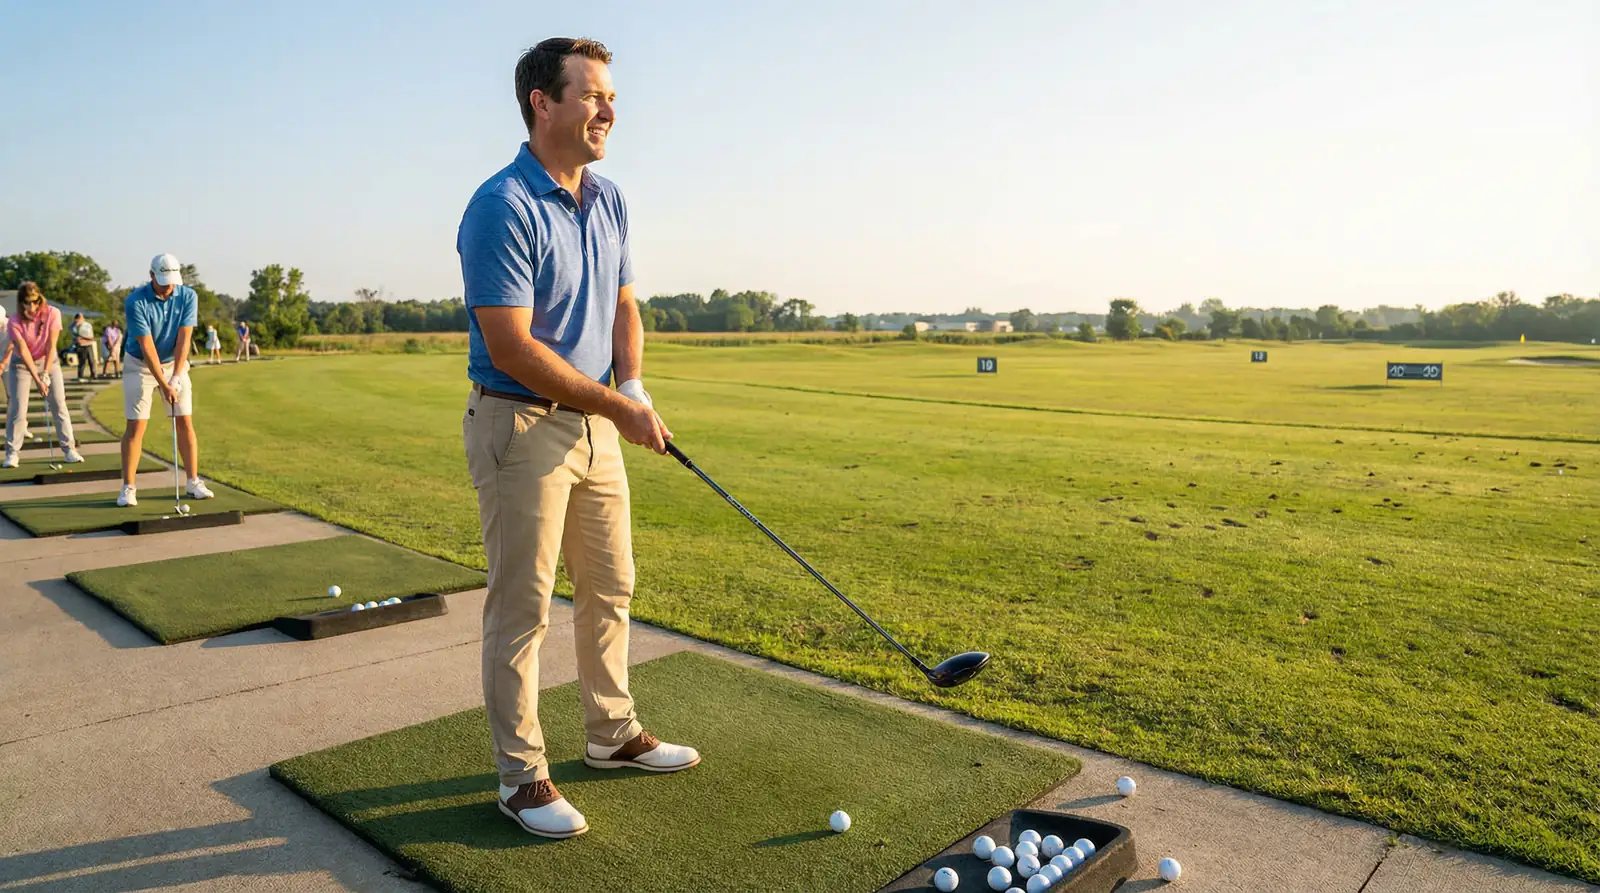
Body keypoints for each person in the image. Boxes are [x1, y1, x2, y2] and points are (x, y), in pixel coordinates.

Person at [458, 37, 696, 840]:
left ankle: (611, 733)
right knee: (522, 605)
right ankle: (521, 776)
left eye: (612, 97)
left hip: (594, 420)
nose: (610, 110)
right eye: (593, 95)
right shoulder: (502, 205)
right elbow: (515, 345)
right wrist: (615, 406)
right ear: (543, 103)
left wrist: (631, 388)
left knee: (612, 584)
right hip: (518, 423)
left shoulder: (611, 198)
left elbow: (625, 304)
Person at [117, 254, 215, 506]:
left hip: (174, 364)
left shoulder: (188, 296)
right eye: (163, 281)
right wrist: (164, 383)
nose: (168, 286)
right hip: (140, 365)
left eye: (172, 280)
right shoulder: (135, 301)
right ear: (151, 276)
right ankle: (128, 487)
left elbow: (184, 338)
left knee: (184, 420)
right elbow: (147, 347)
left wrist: (177, 376)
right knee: (136, 425)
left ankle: (193, 481)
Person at [4, 283, 83, 467]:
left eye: (34, 302)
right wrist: (38, 379)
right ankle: (12, 453)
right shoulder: (14, 322)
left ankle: (69, 449)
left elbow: (51, 345)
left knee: (59, 404)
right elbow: (23, 351)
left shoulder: (53, 313)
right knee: (18, 409)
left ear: (40, 299)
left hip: (49, 361)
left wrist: (46, 373)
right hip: (22, 365)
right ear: (20, 302)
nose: (30, 307)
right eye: (26, 303)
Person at [71, 314, 97, 381]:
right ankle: (80, 375)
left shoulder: (87, 325)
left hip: (88, 344)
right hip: (80, 346)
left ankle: (93, 374)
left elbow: (91, 337)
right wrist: (77, 339)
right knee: (82, 361)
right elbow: (73, 335)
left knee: (91, 360)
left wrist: (82, 338)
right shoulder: (73, 326)